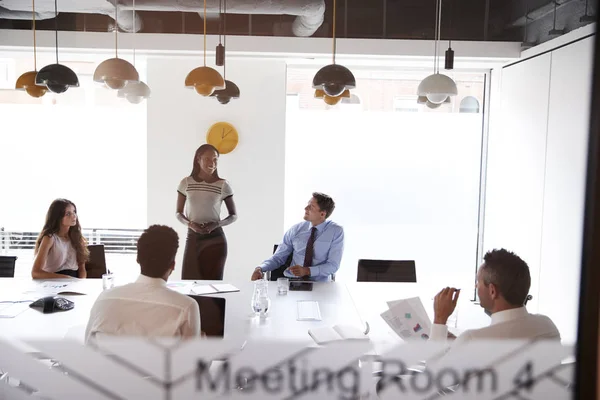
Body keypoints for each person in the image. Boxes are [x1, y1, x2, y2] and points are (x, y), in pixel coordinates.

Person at [85, 225, 200, 343]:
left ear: (137, 259)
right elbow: (191, 361)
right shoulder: (187, 307)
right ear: (173, 265)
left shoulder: (104, 298)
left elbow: (88, 348)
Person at [430, 248, 560, 345]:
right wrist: (460, 345)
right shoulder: (548, 326)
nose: (476, 287)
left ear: (492, 291)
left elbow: (433, 375)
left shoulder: (472, 340)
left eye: (478, 282)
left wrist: (439, 319)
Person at [251, 193, 344, 282]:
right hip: (293, 282)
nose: (305, 208)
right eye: (307, 204)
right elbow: (278, 257)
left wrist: (307, 270)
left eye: (311, 206)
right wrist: (260, 268)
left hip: (320, 284)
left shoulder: (336, 231)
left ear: (322, 214)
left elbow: (333, 265)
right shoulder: (296, 229)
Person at [176, 144, 237, 280]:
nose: (212, 163)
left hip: (215, 239)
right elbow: (178, 213)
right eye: (208, 159)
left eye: (215, 160)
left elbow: (233, 215)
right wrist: (190, 224)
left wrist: (216, 224)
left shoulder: (223, 185)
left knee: (213, 287)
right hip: (193, 237)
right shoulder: (186, 183)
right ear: (198, 159)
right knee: (188, 283)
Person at [31, 199, 89, 279]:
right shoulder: (49, 238)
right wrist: (66, 279)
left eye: (74, 212)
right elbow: (35, 273)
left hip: (74, 282)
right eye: (68, 214)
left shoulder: (77, 238)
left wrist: (80, 283)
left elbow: (82, 270)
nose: (74, 216)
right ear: (58, 217)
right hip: (53, 281)